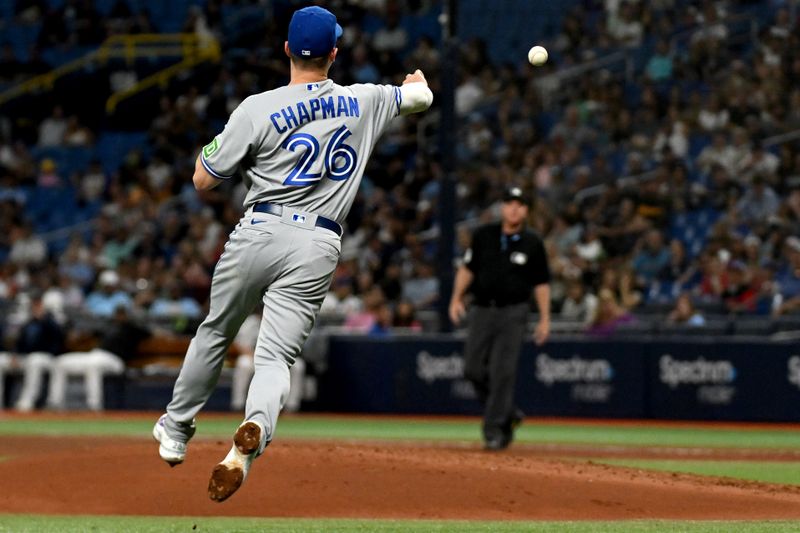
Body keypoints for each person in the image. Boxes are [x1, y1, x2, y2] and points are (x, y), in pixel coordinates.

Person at [152, 5, 433, 503]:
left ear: (286, 49)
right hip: (319, 242)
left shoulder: (256, 108)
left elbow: (202, 179)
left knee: (217, 330)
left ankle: (175, 432)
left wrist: (217, 146)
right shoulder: (364, 99)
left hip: (260, 228)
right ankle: (254, 429)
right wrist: (417, 81)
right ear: (335, 52)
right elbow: (419, 96)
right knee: (276, 357)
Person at [448, 186, 552, 451]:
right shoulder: (484, 235)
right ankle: (508, 414)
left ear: (526, 210)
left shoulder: (532, 242)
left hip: (513, 312)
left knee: (502, 372)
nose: (514, 208)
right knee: (472, 368)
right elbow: (468, 269)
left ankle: (493, 430)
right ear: (502, 207)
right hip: (482, 309)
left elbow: (541, 283)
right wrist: (456, 297)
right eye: (509, 203)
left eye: (519, 204)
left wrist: (545, 319)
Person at [47, 305, 150, 411]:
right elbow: (90, 333)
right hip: (96, 355)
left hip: (116, 361)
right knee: (60, 362)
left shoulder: (132, 328)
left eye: (122, 313)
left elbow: (150, 333)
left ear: (127, 315)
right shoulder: (108, 326)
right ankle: (55, 404)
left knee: (93, 366)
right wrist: (77, 334)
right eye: (118, 313)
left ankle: (94, 407)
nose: (120, 316)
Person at [0, 296, 64, 411]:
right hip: (27, 357)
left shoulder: (51, 322)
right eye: (34, 305)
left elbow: (58, 340)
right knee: (2, 360)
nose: (36, 308)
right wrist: (15, 354)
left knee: (34, 361)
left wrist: (44, 319)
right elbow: (20, 343)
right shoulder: (28, 323)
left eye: (39, 306)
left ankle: (27, 401)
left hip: (46, 357)